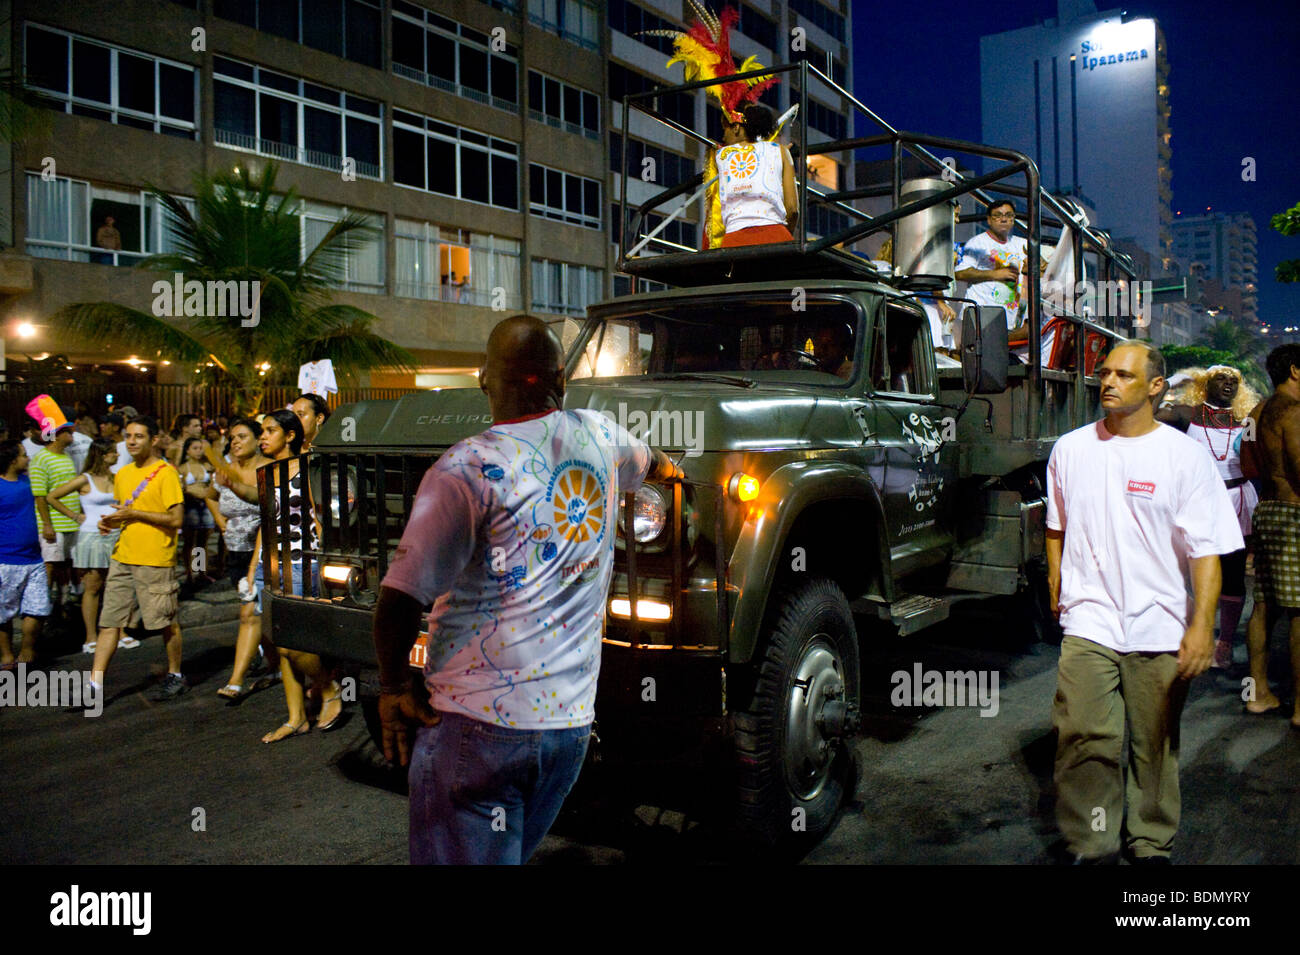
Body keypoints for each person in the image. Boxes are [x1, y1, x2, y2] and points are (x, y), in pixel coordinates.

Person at [371, 314, 679, 865]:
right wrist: (673, 475)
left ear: (484, 379)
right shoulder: (601, 436)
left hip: (476, 728)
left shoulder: (465, 467)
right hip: (567, 730)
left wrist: (393, 686)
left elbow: (399, 599)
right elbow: (656, 463)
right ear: (561, 376)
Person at [1046, 340, 1243, 863]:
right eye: (1105, 373)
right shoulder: (1070, 449)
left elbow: (1205, 553)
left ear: (1156, 387)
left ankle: (1151, 842)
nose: (1107, 382)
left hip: (1159, 624)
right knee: (1083, 736)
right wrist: (1056, 585)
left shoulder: (1184, 457)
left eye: (1124, 375)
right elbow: (1055, 526)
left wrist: (1202, 626)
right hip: (1089, 621)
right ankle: (1092, 842)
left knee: (1154, 744)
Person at [1156, 365, 1261, 668]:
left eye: (1233, 382)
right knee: (1188, 571)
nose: (1227, 385)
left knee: (1232, 573)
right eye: (1220, 379)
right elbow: (1150, 411)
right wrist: (1175, 380)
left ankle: (1224, 642)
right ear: (1205, 383)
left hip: (1237, 501)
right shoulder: (1188, 414)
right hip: (1197, 503)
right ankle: (1189, 634)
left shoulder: (1246, 420)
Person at [243, 411, 338, 742]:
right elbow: (265, 523)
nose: (262, 437)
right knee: (280, 643)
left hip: (303, 563)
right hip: (273, 566)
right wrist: (254, 566)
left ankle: (328, 688)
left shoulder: (309, 468)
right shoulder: (267, 472)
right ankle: (296, 717)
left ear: (291, 436)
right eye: (262, 431)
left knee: (294, 643)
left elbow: (322, 519)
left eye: (270, 431)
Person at [90, 416, 188, 702]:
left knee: (165, 622)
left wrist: (133, 515)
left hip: (155, 559)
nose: (131, 441)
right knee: (109, 622)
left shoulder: (166, 473)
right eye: (128, 436)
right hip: (123, 556)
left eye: (139, 436)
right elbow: (125, 513)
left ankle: (176, 674)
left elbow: (175, 519)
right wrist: (111, 522)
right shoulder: (122, 474)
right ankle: (94, 686)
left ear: (154, 440)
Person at [1239, 344, 1300, 725]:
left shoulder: (1256, 411)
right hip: (1295, 515)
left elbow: (1246, 460)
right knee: (1299, 611)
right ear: (1295, 371)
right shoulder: (1294, 413)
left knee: (1263, 606)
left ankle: (1256, 693)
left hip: (1266, 511)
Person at [195, 417, 274, 702]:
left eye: (242, 436)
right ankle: (275, 664)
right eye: (233, 438)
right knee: (258, 613)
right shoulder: (225, 469)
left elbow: (267, 507)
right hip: (236, 553)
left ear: (257, 440)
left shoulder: (266, 468)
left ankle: (236, 680)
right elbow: (210, 495)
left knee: (249, 614)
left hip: (264, 553)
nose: (236, 442)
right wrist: (219, 520)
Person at [48, 439, 120, 654]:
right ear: (103, 455)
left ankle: (120, 631)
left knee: (116, 587)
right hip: (91, 536)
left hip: (116, 535)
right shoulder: (85, 479)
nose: (117, 455)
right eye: (113, 452)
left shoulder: (117, 477)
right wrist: (74, 515)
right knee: (92, 587)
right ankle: (91, 635)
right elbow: (52, 496)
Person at [715, 105, 798, 248]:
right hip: (775, 236)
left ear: (736, 128)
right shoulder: (781, 151)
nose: (723, 136)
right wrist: (785, 234)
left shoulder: (721, 155)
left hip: (733, 240)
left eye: (726, 129)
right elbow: (793, 209)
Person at [0, 440, 50, 668]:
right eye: (22, 455)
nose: (27, 458)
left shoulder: (29, 483)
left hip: (34, 558)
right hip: (5, 560)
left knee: (38, 608)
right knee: (3, 613)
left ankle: (27, 649)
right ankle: (7, 655)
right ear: (12, 461)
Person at [29, 421, 83, 607]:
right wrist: (47, 524)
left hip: (71, 522)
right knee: (50, 564)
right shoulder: (40, 459)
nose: (72, 434)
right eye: (67, 431)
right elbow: (40, 495)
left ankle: (62, 600)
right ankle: (41, 605)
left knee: (65, 564)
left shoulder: (66, 456)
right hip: (55, 524)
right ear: (56, 435)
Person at [178, 436, 215, 585]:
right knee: (189, 542)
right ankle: (188, 573)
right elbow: (181, 488)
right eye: (195, 448)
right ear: (187, 450)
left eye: (201, 448)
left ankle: (201, 572)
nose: (199, 451)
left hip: (205, 506)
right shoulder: (182, 468)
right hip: (190, 506)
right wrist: (192, 492)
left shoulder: (207, 465)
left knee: (202, 542)